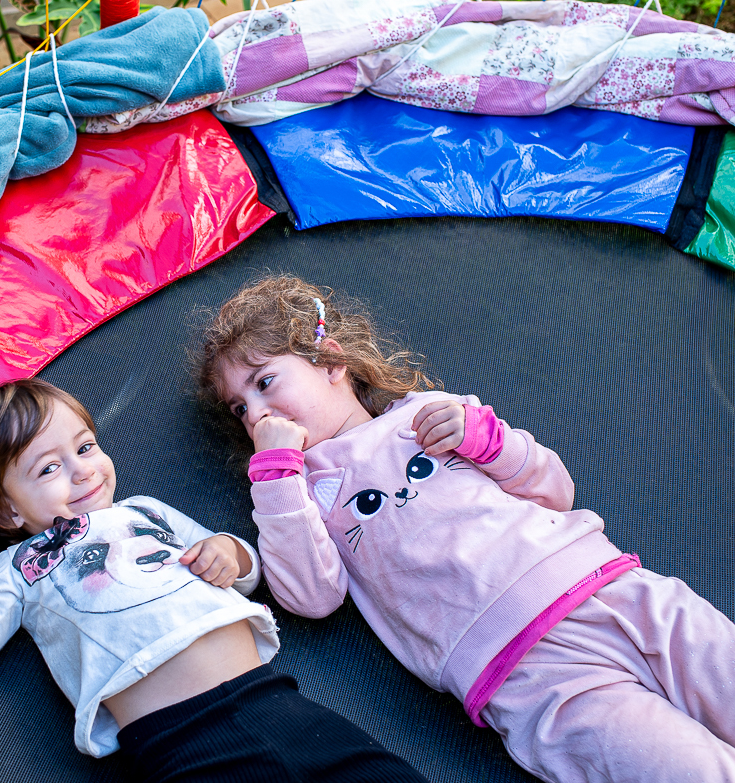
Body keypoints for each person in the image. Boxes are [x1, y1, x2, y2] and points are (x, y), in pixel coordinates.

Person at [196, 275, 735, 783]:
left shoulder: (429, 414)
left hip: (615, 594)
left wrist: (491, 442)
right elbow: (311, 596)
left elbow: (553, 490)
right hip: (527, 675)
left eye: (265, 382)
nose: (257, 414)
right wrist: (275, 476)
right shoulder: (299, 492)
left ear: (331, 361)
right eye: (241, 408)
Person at [0, 378, 428, 782]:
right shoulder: (19, 568)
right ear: (6, 509)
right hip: (181, 744)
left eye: (84, 448)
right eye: (48, 468)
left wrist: (229, 552)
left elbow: (248, 570)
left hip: (278, 701)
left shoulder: (145, 510)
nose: (84, 469)